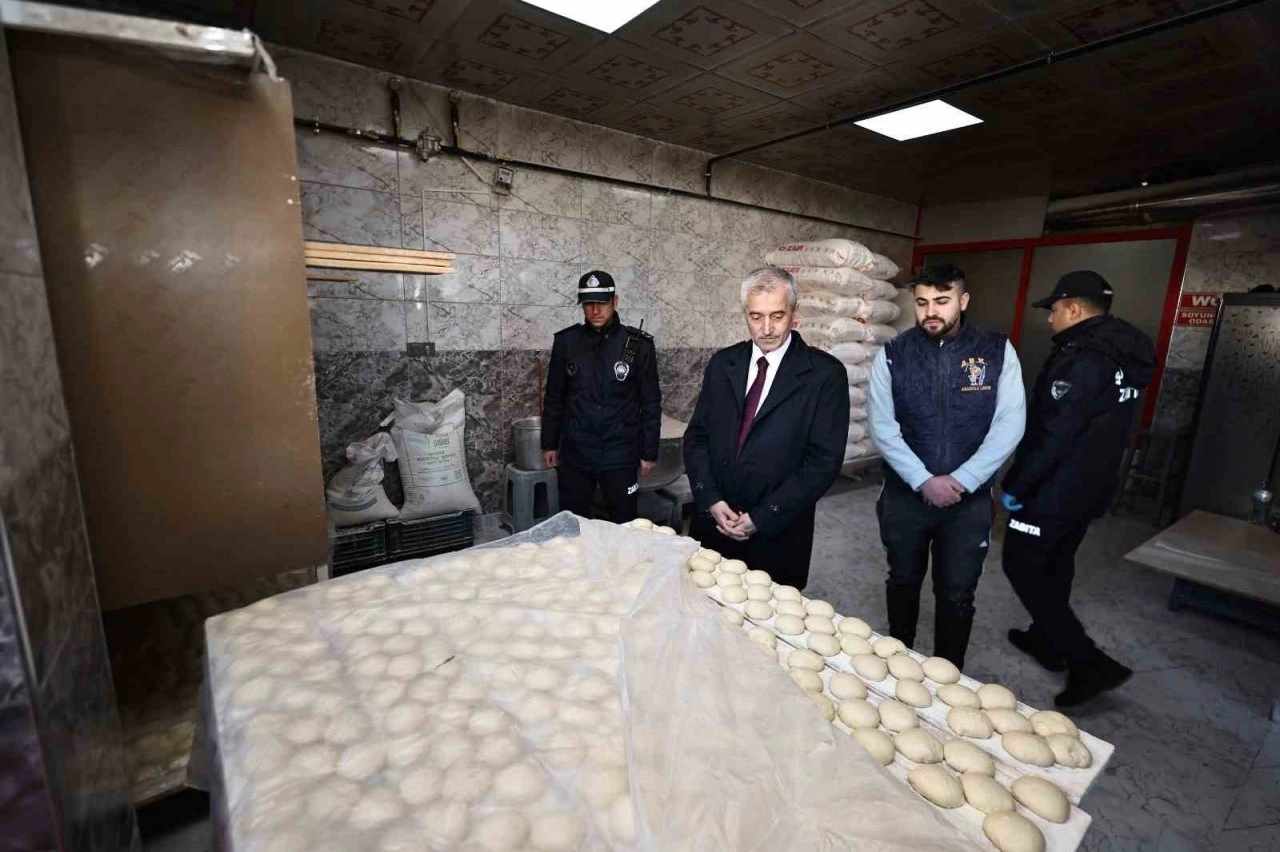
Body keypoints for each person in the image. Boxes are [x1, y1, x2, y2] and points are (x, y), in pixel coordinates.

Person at [1000, 270, 1153, 707]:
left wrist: (1017, 484)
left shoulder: (1082, 358)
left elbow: (1055, 432)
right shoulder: (1124, 351)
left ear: (1073, 308)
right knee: (1057, 561)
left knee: (1022, 565)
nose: (1050, 319)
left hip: (1055, 489)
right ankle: (1045, 639)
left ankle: (1088, 662)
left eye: (1053, 310)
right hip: (1092, 484)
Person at [868, 263, 1025, 669]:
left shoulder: (996, 351)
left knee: (957, 594)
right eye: (922, 303)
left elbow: (1010, 423)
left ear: (963, 300)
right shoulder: (894, 354)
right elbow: (882, 426)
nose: (930, 311)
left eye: (942, 300)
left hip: (967, 503)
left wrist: (963, 479)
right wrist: (922, 480)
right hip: (905, 497)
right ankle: (898, 664)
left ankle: (948, 675)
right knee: (902, 580)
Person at [683, 266, 848, 589]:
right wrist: (711, 498)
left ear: (795, 314)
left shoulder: (824, 375)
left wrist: (763, 516)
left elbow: (823, 462)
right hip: (715, 525)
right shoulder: (723, 364)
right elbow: (697, 438)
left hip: (778, 534)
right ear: (745, 314)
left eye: (778, 316)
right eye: (756, 317)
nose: (767, 328)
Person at [541, 270, 661, 523]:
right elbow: (554, 397)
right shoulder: (567, 342)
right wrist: (549, 443)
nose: (595, 310)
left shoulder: (637, 345)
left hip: (620, 453)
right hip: (576, 452)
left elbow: (650, 403)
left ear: (615, 301)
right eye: (588, 304)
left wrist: (649, 452)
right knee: (573, 523)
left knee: (623, 522)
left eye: (602, 303)